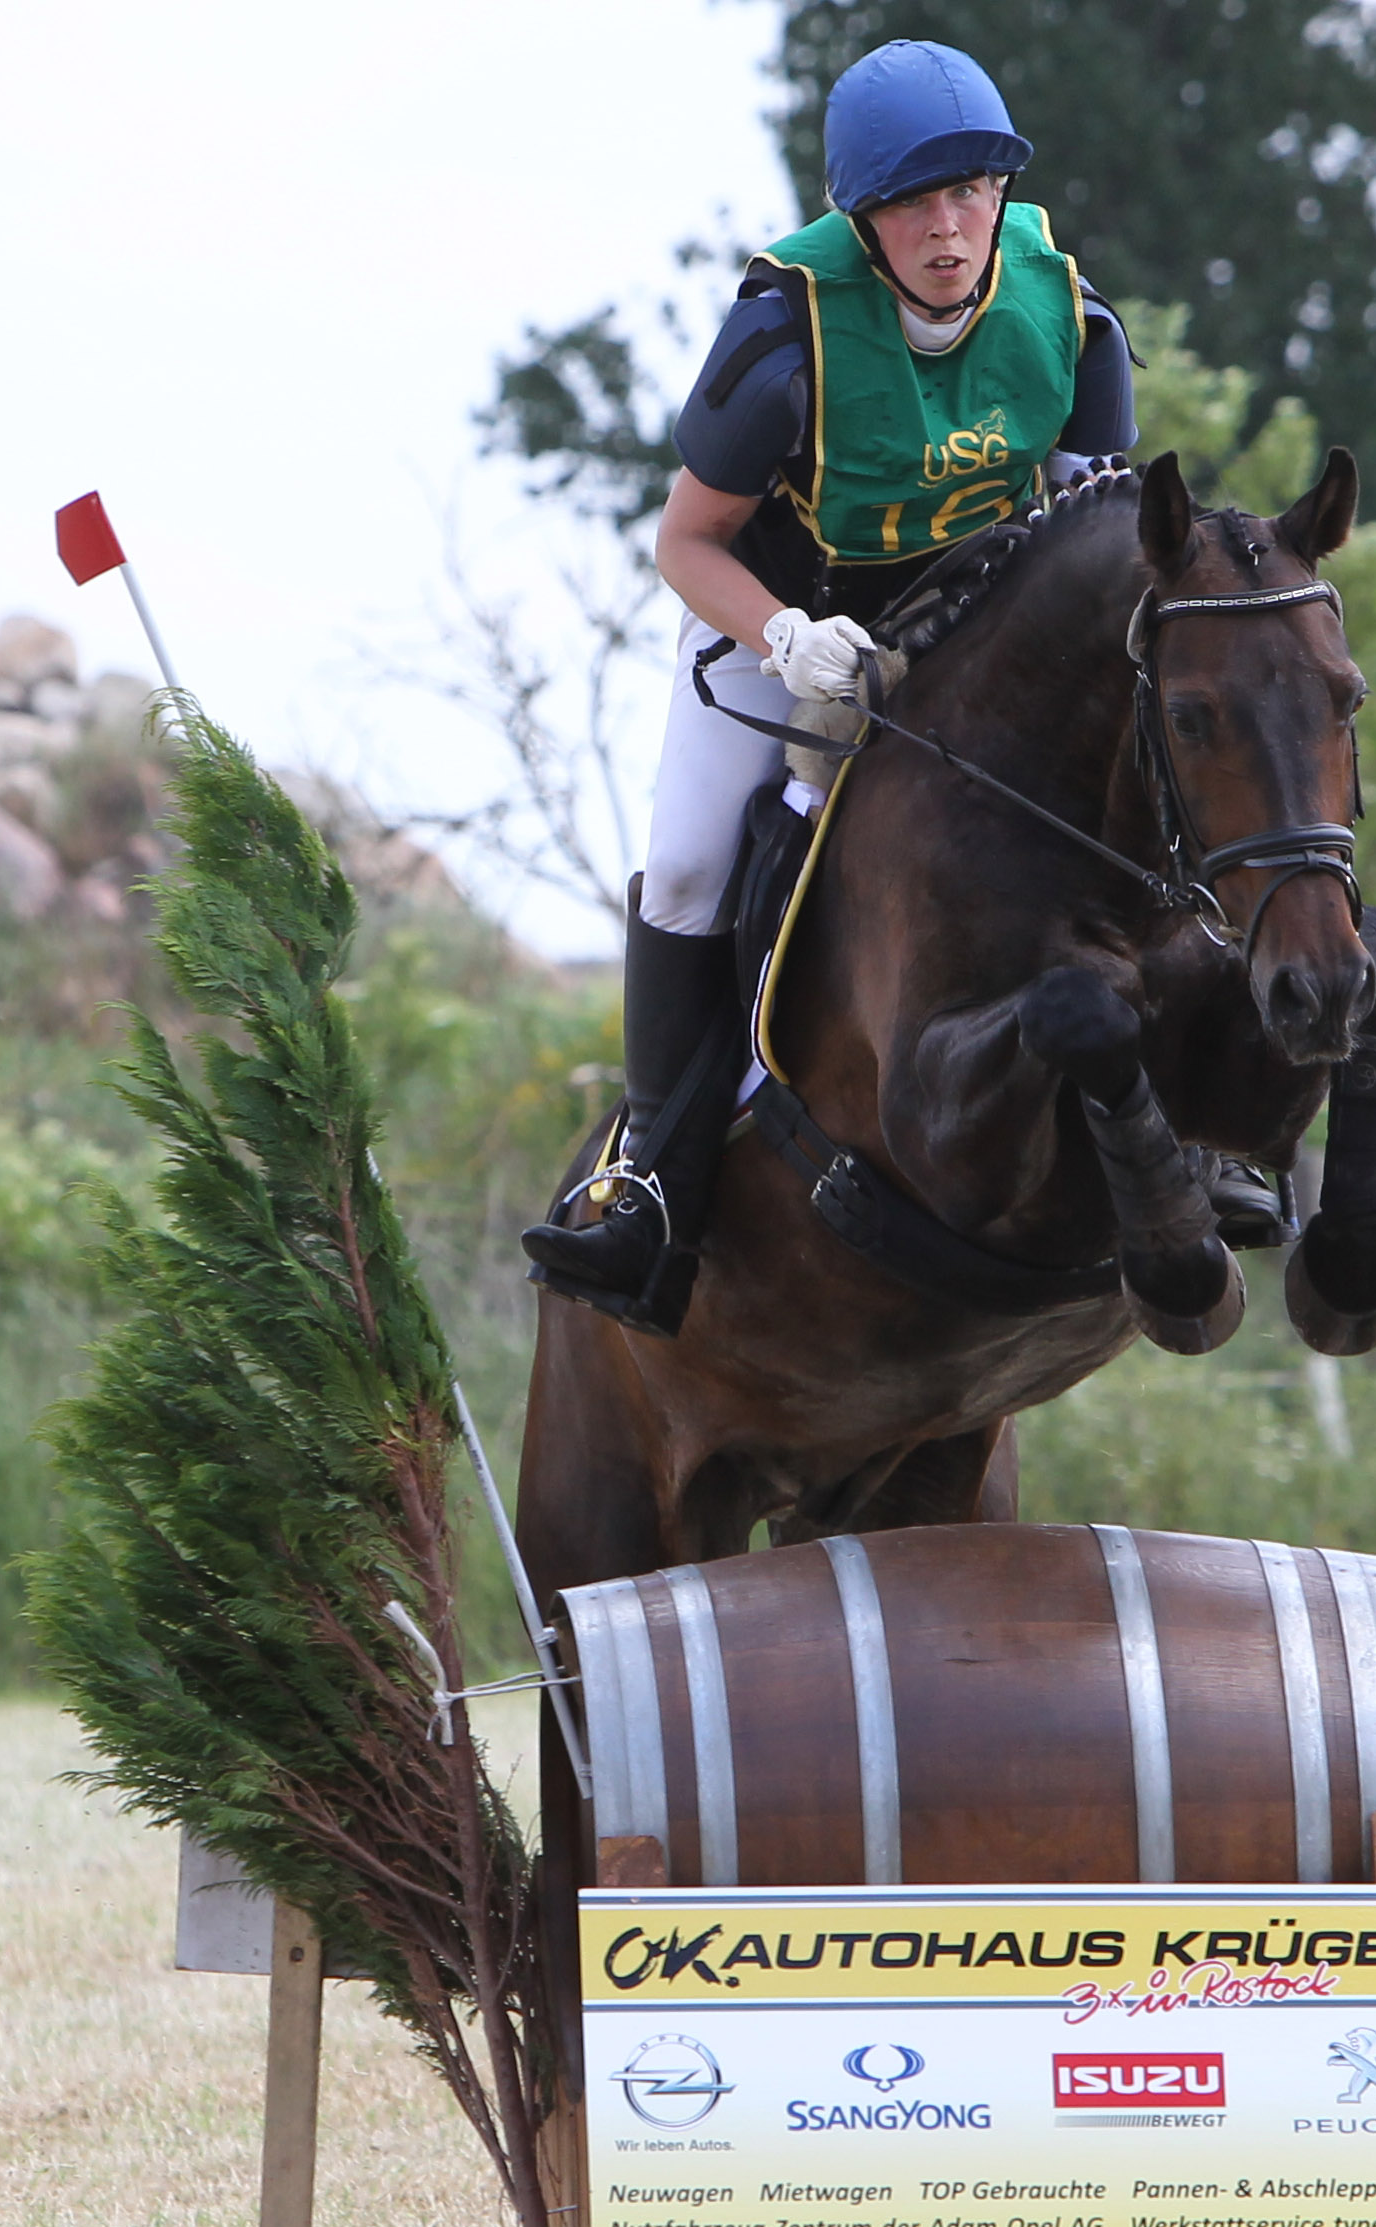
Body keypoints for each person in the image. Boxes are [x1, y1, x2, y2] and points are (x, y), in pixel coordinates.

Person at [523, 38, 1138, 1336]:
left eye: (974, 192)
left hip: (966, 635)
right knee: (688, 871)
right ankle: (651, 1187)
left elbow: (1096, 534)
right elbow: (681, 542)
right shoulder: (781, 345)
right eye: (916, 201)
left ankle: (1201, 1139)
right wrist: (788, 636)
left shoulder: (1072, 322)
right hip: (773, 626)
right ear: (860, 217)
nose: (949, 227)